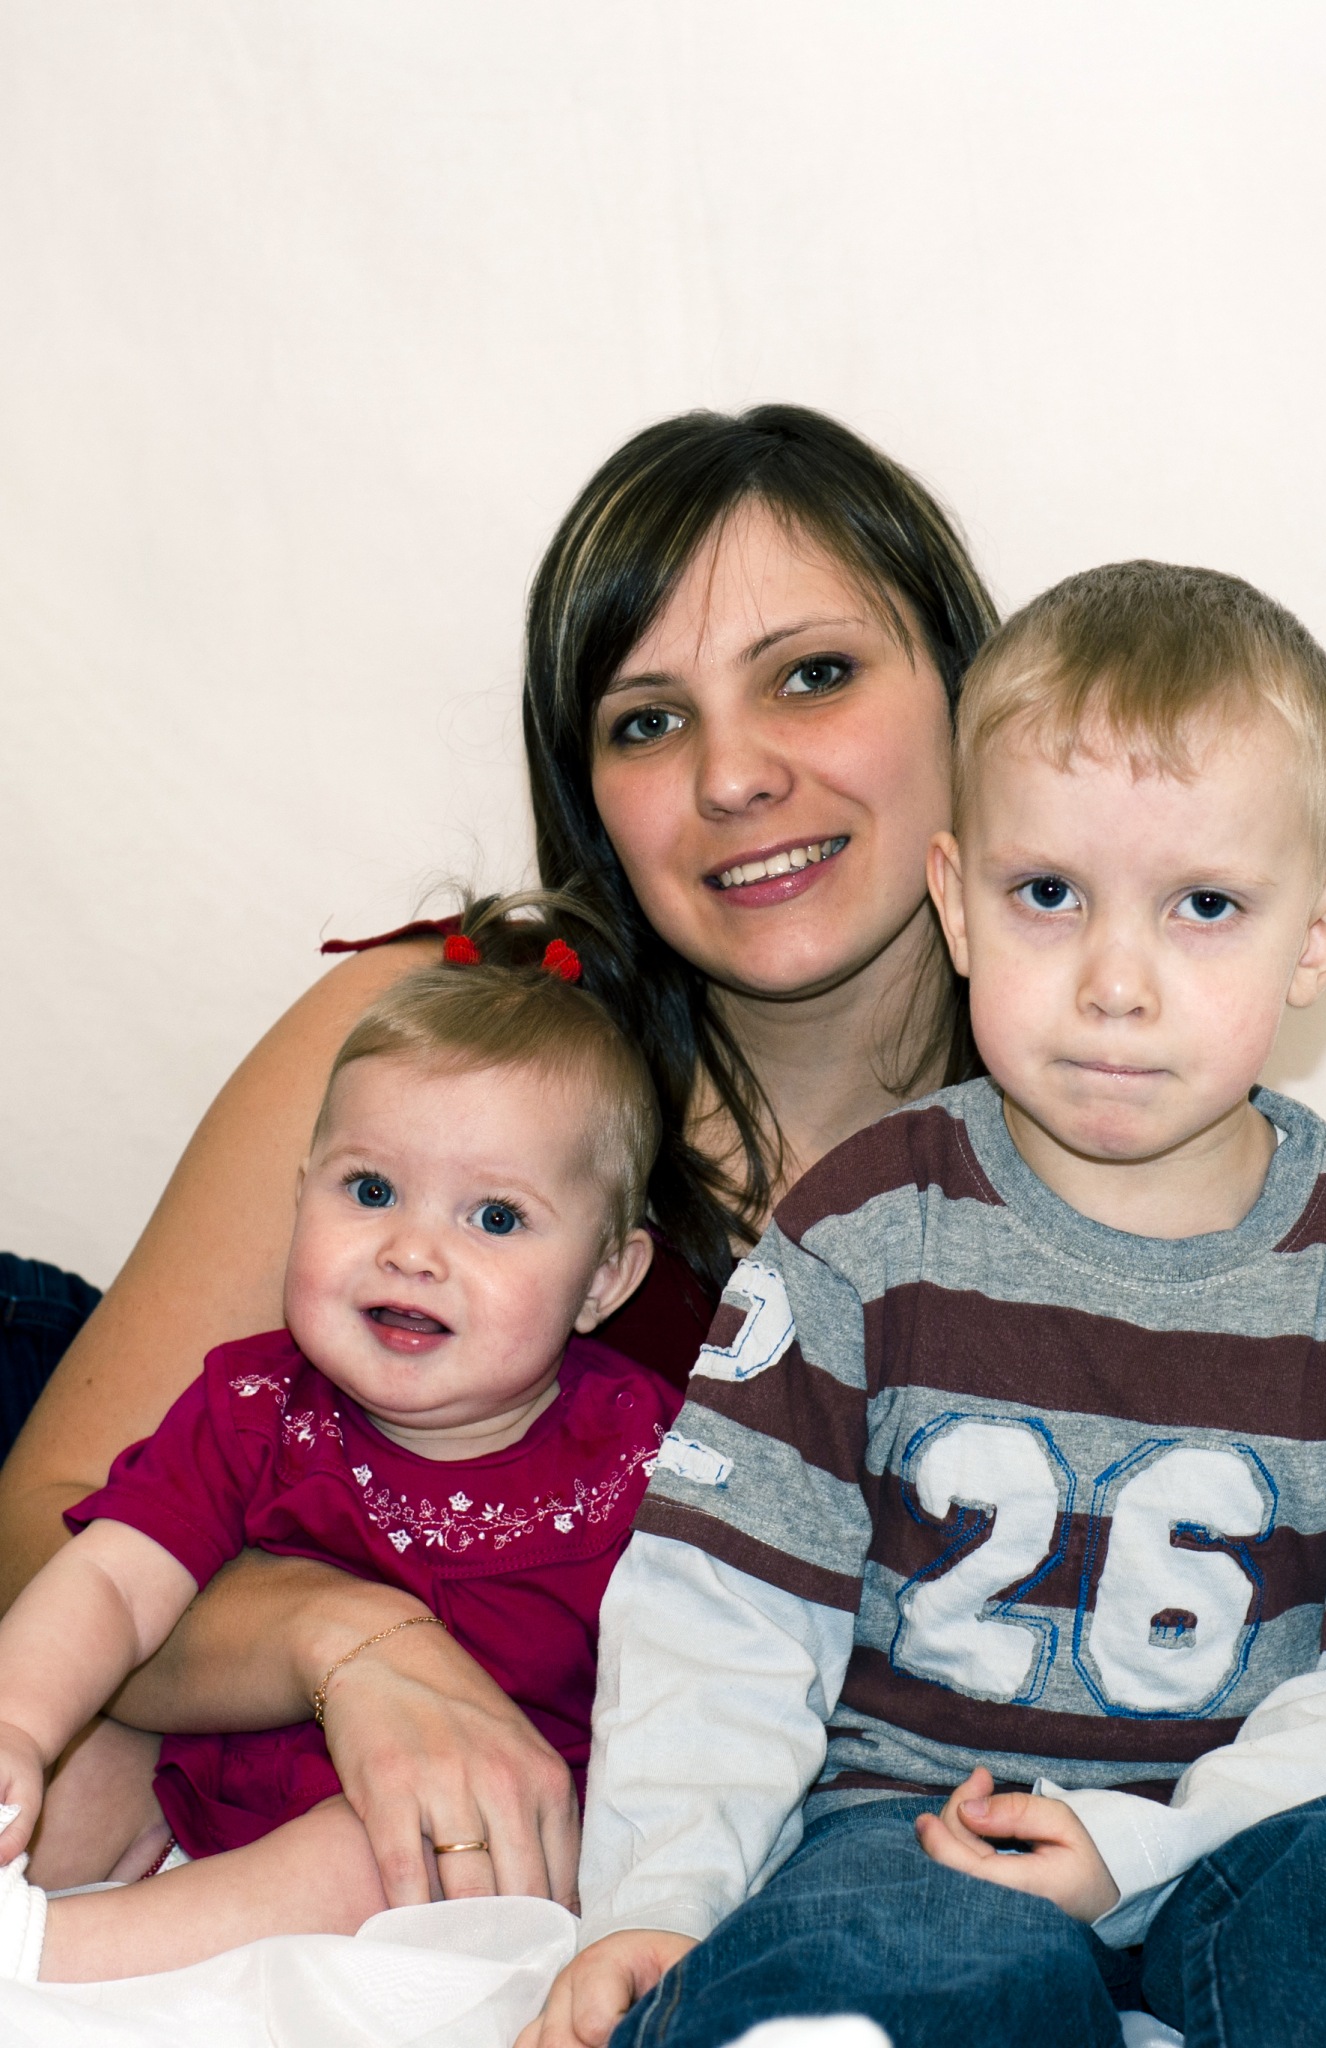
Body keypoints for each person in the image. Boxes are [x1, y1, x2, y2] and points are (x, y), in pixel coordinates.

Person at [521, 562, 1326, 2048]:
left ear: (1319, 937)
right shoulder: (859, 1235)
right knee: (891, 1956)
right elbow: (725, 1613)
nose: (1116, 983)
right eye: (1048, 895)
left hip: (1250, 1840)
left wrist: (1150, 1841)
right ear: (957, 902)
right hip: (922, 1827)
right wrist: (657, 1899)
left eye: (1204, 906)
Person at [0, 405, 997, 1908]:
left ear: (969, 696)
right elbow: (46, 1539)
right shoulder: (436, 1050)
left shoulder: (1114, 1159)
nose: (733, 775)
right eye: (647, 720)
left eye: (813, 674)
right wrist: (350, 1641)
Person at [0, 909, 681, 1981]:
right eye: (370, 1191)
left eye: (495, 1218)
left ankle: (50, 1963)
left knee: (369, 1843)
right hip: (217, 1790)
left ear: (605, 1278)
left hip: (467, 1856)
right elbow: (114, 1583)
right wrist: (19, 1725)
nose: (412, 1250)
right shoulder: (254, 1402)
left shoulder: (647, 1457)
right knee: (85, 1742)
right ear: (300, 1194)